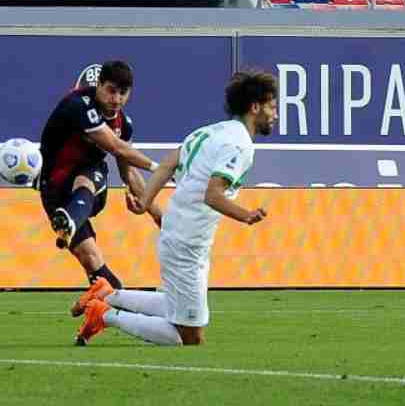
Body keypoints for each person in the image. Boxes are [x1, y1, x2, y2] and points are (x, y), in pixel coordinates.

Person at [71, 69, 277, 347]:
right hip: (187, 243)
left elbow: (168, 164)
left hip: (182, 233)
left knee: (174, 306)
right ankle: (106, 314)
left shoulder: (209, 131)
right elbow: (213, 195)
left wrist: (146, 202)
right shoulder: (239, 145)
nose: (275, 115)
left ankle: (106, 294)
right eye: (272, 107)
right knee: (189, 336)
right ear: (255, 107)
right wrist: (246, 215)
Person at [38, 60, 160, 290]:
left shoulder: (124, 125)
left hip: (90, 185)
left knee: (87, 173)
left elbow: (129, 174)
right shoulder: (79, 104)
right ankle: (115, 305)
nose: (116, 99)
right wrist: (159, 168)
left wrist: (159, 216)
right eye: (111, 91)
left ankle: (70, 220)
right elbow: (117, 147)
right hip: (54, 191)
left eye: (123, 93)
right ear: (99, 85)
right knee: (92, 261)